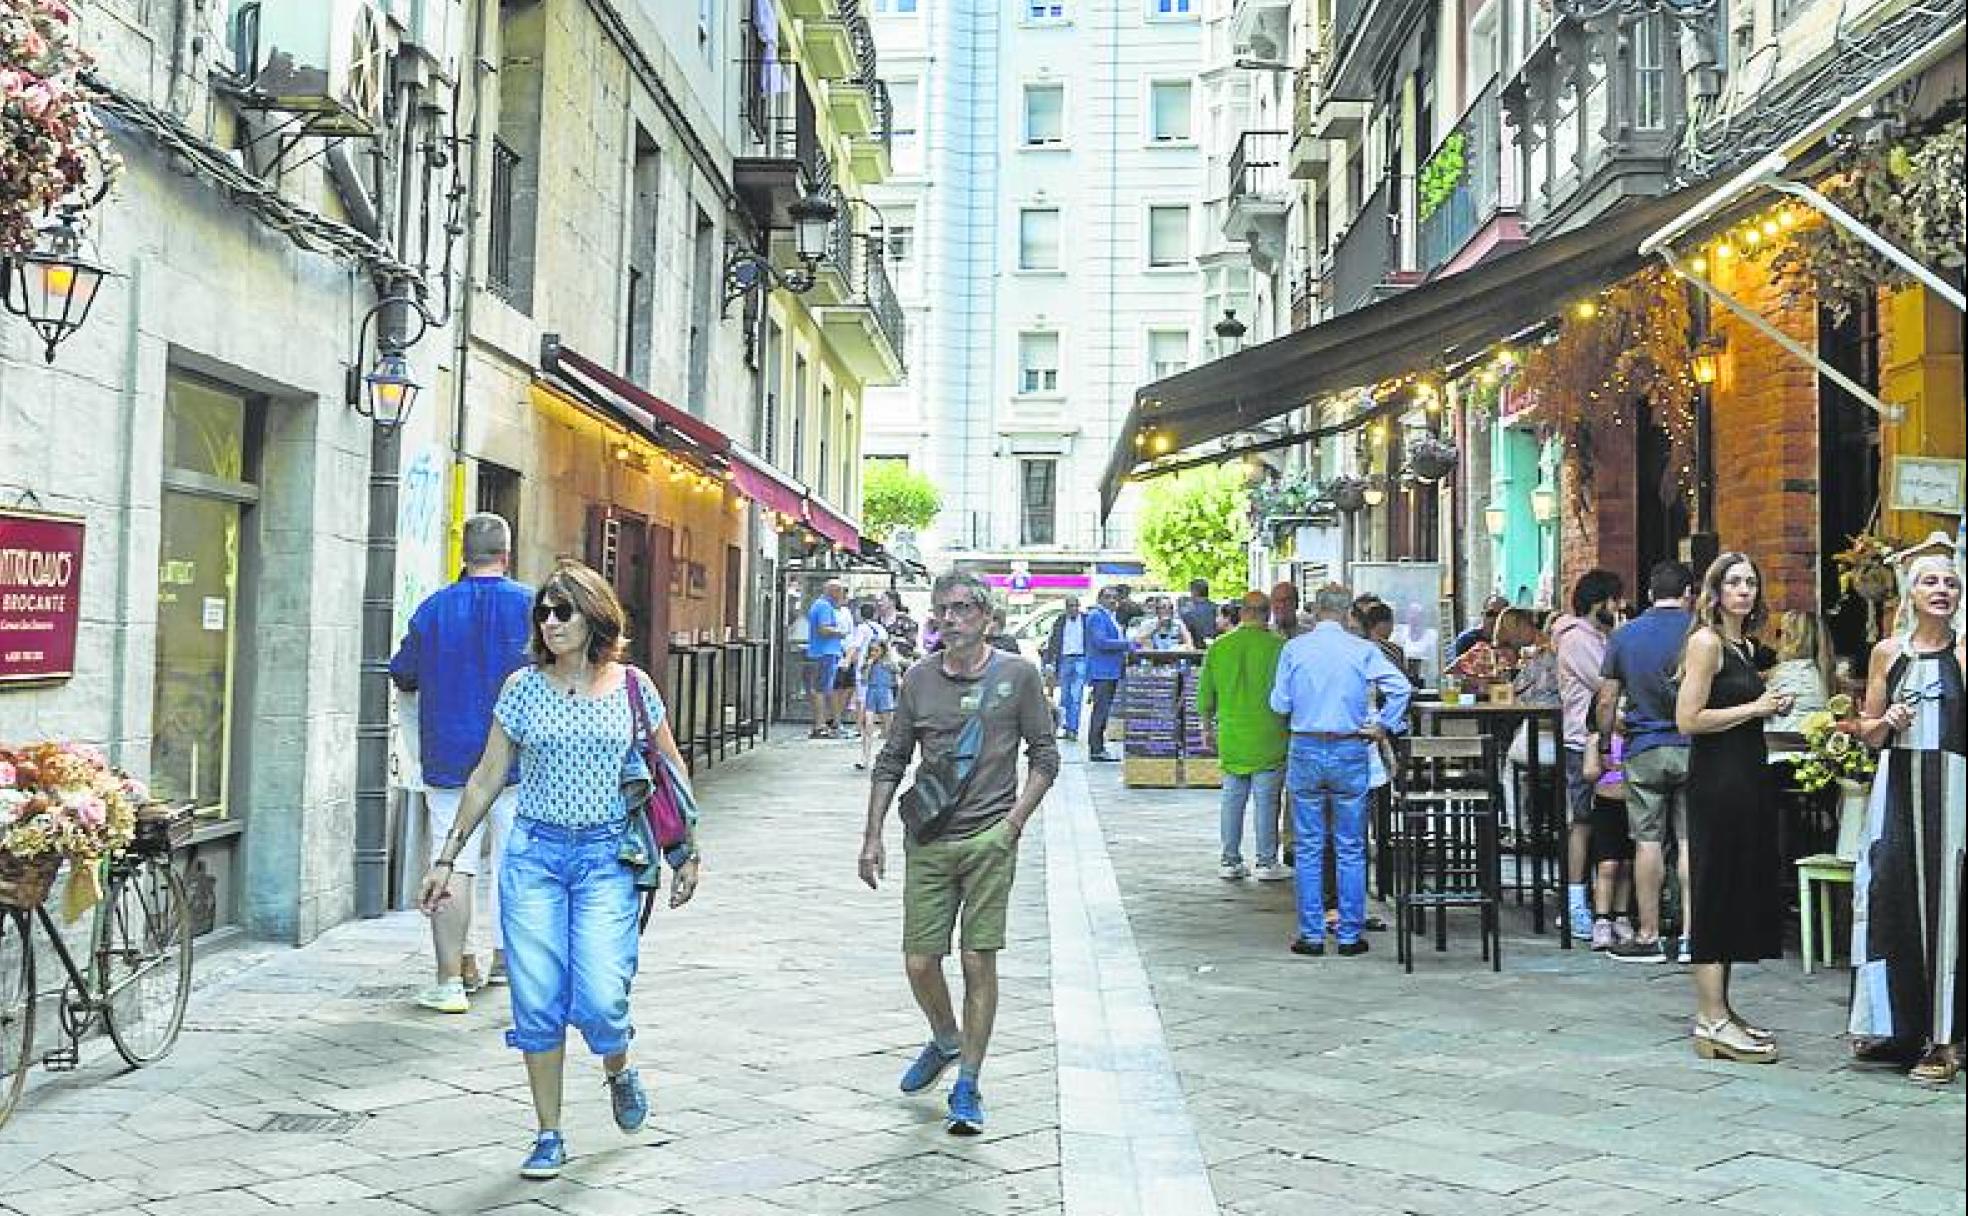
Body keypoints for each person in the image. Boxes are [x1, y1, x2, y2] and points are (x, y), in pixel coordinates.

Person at [417, 560, 701, 1178]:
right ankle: (549, 1132)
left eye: (562, 610)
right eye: (543, 612)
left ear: (595, 617)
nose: (550, 622)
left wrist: (686, 850)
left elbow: (669, 769)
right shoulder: (521, 687)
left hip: (607, 861)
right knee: (538, 1002)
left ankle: (617, 1067)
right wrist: (448, 857)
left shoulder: (632, 687)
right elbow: (488, 774)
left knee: (601, 998)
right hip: (535, 859)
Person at [860, 572, 1059, 1136]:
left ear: (987, 617)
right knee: (920, 961)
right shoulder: (918, 679)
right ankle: (946, 1037)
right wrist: (871, 834)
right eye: (942, 609)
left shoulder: (1018, 676)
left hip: (989, 838)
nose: (949, 618)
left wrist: (1013, 824)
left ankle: (968, 1081)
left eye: (962, 609)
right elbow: (893, 758)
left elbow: (1045, 756)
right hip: (929, 837)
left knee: (977, 959)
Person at [389, 513, 534, 1013]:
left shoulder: (432, 610)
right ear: (507, 554)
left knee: (454, 862)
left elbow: (403, 673)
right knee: (516, 860)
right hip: (517, 758)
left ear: (463, 555)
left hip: (449, 755)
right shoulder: (532, 606)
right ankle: (506, 961)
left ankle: (452, 977)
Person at [1848, 540, 1965, 1085]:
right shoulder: (1887, 653)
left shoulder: (1964, 651)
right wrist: (1886, 721)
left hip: (1954, 786)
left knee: (1949, 905)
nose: (1942, 590)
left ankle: (1945, 1039)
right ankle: (1898, 1026)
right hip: (1897, 786)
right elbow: (1868, 734)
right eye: (1931, 582)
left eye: (1951, 583)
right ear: (1911, 594)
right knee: (1891, 895)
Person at [1675, 552, 1790, 1064]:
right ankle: (1711, 1018)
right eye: (1735, 582)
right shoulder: (1707, 643)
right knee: (1715, 888)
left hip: (1746, 776)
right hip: (1717, 781)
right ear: (1715, 590)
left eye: (1751, 583)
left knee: (1736, 887)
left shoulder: (1744, 646)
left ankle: (1723, 1008)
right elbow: (1688, 719)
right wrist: (1756, 707)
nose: (1744, 591)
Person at [1271, 583, 1412, 957]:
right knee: (1350, 845)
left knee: (1309, 845)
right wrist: (1383, 724)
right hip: (1351, 746)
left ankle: (1312, 934)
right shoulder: (1363, 650)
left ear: (1316, 611)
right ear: (1349, 613)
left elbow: (1280, 703)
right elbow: (1401, 687)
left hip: (1306, 746)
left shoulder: (1294, 649)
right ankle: (1349, 935)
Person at [1597, 561, 1695, 963]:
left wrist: (1606, 737)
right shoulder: (1700, 632)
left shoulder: (1624, 635)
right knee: (1691, 841)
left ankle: (1649, 933)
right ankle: (1693, 936)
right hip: (1694, 745)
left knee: (1648, 842)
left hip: (1645, 746)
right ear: (1688, 590)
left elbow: (1606, 699)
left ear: (1651, 592)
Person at [1197, 591, 1290, 882]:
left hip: (1232, 734)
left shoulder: (1220, 647)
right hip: (1271, 735)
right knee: (1267, 802)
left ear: (1242, 613)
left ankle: (1230, 859)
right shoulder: (1280, 647)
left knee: (1232, 800)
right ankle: (1265, 861)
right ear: (1267, 613)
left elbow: (1204, 694)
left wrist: (1206, 728)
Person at [1553, 569, 1623, 941]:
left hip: (1606, 741)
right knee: (1582, 821)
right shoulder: (1577, 640)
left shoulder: (1600, 636)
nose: (1619, 606)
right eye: (1614, 599)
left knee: (1608, 823)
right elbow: (1605, 683)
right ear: (1598, 602)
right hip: (1584, 741)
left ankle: (1606, 906)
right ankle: (1575, 903)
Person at [1763, 610, 1832, 734]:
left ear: (1792, 638)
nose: (1778, 638)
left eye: (1781, 632)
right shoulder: (1815, 671)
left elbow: (1761, 707)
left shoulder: (1793, 671)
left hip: (1784, 748)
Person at [1083, 587, 1130, 761]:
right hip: (1102, 671)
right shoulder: (1097, 616)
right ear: (1100, 598)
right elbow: (1101, 642)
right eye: (1108, 597)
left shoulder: (1109, 616)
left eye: (1115, 598)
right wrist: (1127, 644)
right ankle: (1096, 749)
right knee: (1100, 710)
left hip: (1110, 670)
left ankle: (1098, 746)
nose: (1112, 601)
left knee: (1103, 709)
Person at [1042, 596, 1090, 741]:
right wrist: (1049, 661)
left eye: (1075, 606)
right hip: (1065, 659)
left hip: (1081, 659)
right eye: (1070, 606)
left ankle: (1073, 729)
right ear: (1066, 607)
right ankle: (1065, 727)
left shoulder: (1086, 620)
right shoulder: (1060, 621)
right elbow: (1053, 641)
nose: (1073, 609)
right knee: (1064, 696)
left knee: (1076, 696)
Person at [806, 580, 850, 737]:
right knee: (821, 689)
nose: (843, 595)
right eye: (841, 592)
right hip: (825, 652)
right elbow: (823, 629)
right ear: (833, 592)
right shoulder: (824, 606)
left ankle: (828, 722)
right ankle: (820, 725)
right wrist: (841, 632)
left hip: (824, 652)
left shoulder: (821, 605)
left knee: (825, 688)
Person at [858, 638, 901, 772]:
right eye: (871, 650)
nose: (873, 653)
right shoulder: (868, 664)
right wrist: (868, 666)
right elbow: (864, 680)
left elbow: (897, 675)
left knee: (888, 728)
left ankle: (890, 757)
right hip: (872, 693)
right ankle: (865, 759)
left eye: (876, 650)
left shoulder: (888, 664)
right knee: (868, 726)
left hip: (884, 693)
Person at [1452, 594, 1513, 660]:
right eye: (1490, 614)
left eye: (1500, 615)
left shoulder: (1512, 641)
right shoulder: (1466, 640)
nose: (1494, 619)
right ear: (1482, 615)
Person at [1131, 595, 1196, 651]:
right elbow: (1135, 644)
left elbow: (1190, 643)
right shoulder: (1147, 623)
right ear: (1157, 610)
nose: (1167, 610)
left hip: (1174, 658)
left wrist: (1183, 647)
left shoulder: (1178, 623)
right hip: (1153, 659)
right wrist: (1155, 628)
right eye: (1163, 607)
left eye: (1170, 607)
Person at [1180, 578, 1219, 646]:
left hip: (1194, 651)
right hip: (1214, 648)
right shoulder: (1217, 609)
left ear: (1194, 592)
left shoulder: (1187, 611)